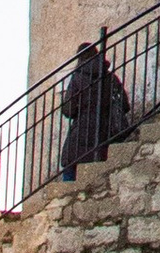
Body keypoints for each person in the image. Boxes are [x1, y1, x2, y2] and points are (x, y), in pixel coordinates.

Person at [58, 42, 135, 179]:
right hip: (105, 133)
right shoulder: (111, 78)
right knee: (99, 173)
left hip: (81, 131)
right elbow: (124, 105)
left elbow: (68, 110)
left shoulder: (78, 77)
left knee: (71, 169)